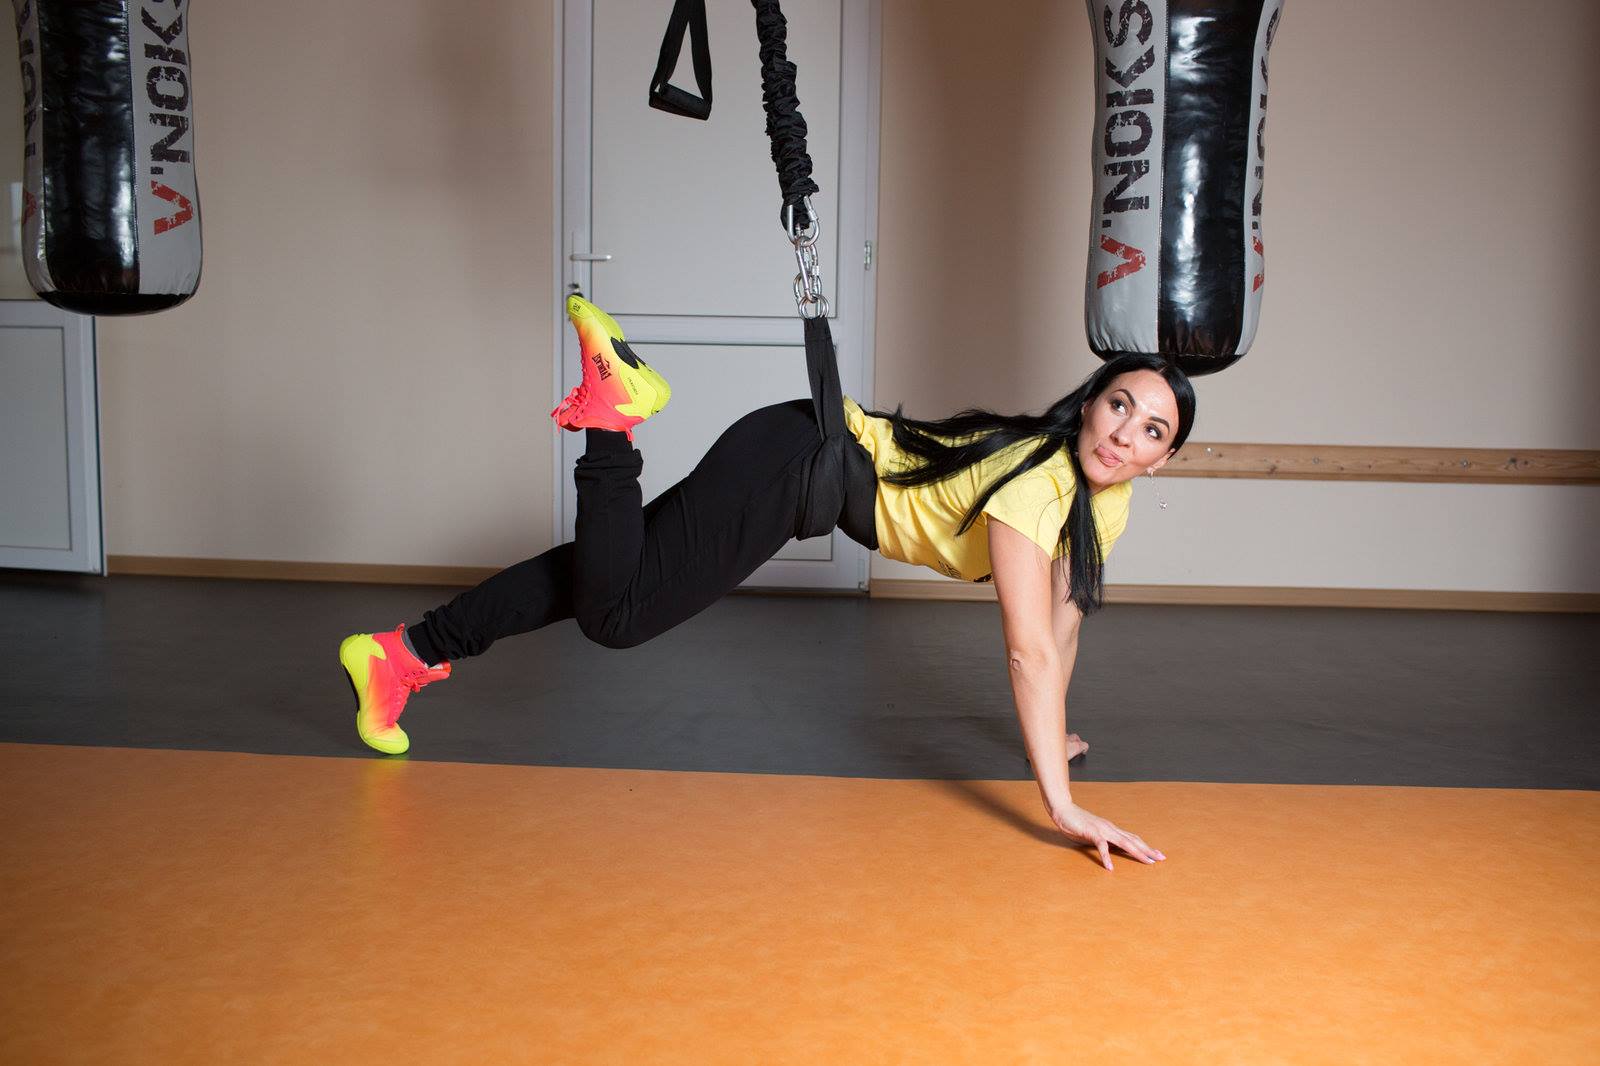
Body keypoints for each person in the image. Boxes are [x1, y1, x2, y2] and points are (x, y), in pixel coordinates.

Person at [340, 295, 1195, 871]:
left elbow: (1063, 620)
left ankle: (400, 655)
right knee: (617, 615)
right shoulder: (1039, 484)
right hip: (795, 469)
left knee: (603, 571)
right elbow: (1028, 651)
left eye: (1152, 430)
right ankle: (610, 420)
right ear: (1091, 401)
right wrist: (1062, 806)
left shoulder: (1103, 498)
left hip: (791, 449)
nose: (1126, 434)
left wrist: (1054, 735)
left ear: (1161, 460)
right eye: (1120, 405)